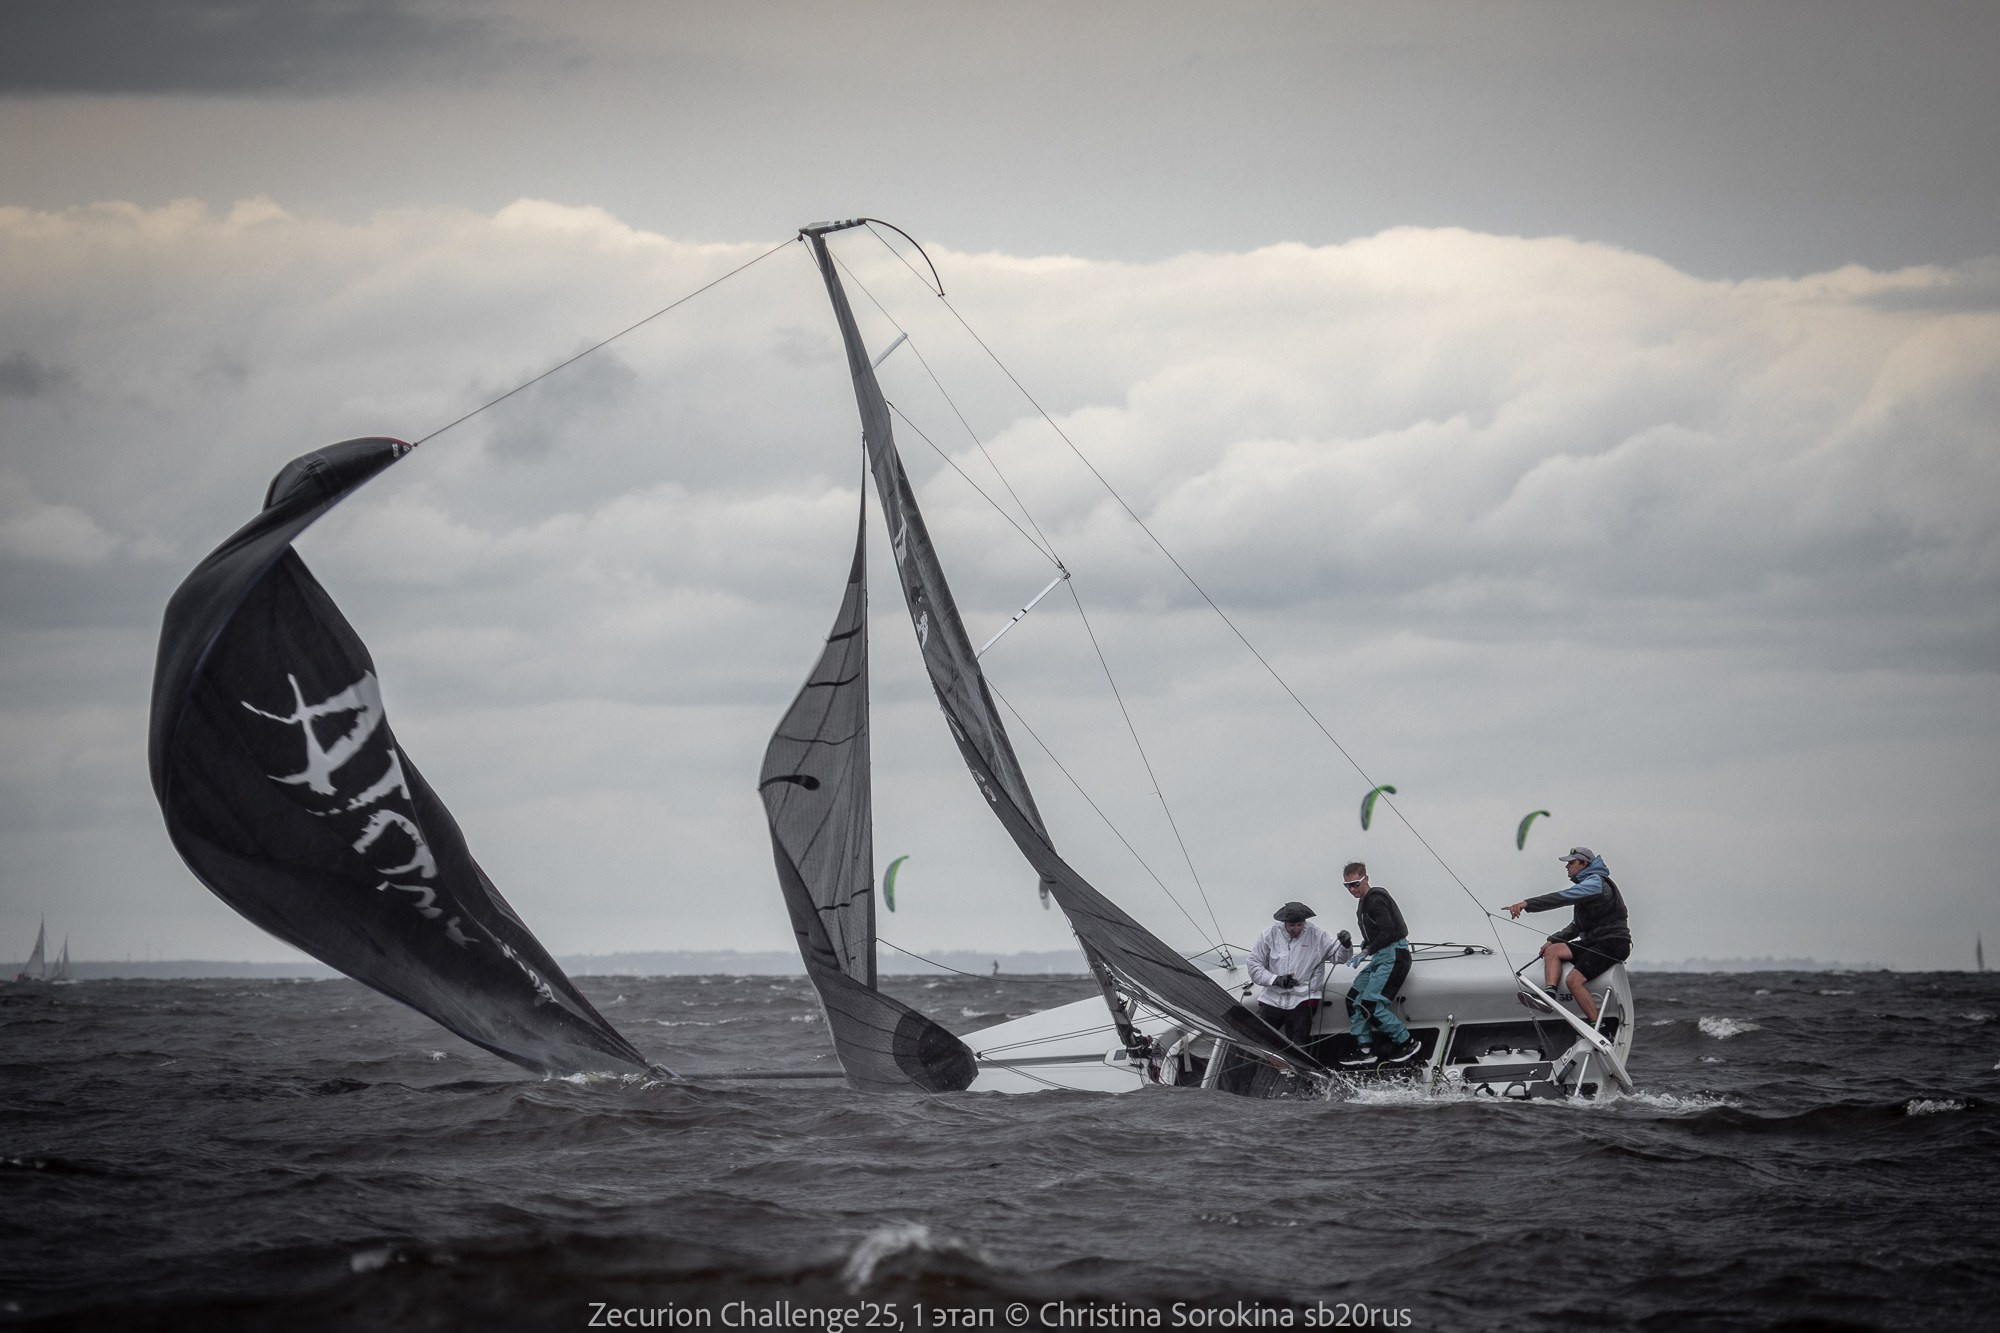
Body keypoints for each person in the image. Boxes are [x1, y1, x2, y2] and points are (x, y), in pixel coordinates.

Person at [1505, 846, 1631, 1024]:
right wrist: (1552, 940)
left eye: (1571, 863)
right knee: (1554, 950)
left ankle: (1597, 1026)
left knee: (1574, 980)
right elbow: (1576, 926)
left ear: (1584, 863)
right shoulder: (1587, 886)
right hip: (1594, 942)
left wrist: (1527, 904)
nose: (1567, 867)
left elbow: (1562, 897)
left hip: (1612, 943)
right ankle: (1548, 997)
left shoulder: (1595, 883)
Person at [1339, 863, 1420, 1066]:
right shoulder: (1363, 902)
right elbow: (1375, 933)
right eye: (1347, 886)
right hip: (1380, 957)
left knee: (1371, 1005)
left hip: (1394, 955)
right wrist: (1365, 945)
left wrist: (1367, 950)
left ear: (1366, 879)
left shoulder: (1376, 900)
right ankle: (1365, 1049)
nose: (1352, 890)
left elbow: (1390, 931)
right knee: (1352, 999)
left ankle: (1407, 1042)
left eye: (1355, 884)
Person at [1247, 901, 1349, 1049]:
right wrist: (1276, 980)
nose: (1296, 929)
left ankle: (1297, 1070)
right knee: (1258, 1039)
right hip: (1272, 998)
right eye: (1292, 925)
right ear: (1284, 923)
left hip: (1304, 998)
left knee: (1299, 1044)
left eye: (1300, 925)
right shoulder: (1269, 934)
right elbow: (1253, 964)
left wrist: (1346, 945)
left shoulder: (1317, 935)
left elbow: (1338, 957)